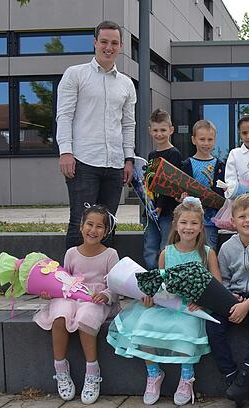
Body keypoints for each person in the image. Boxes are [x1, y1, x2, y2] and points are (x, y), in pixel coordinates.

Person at [107, 197, 223, 406]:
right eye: (184, 223)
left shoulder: (207, 253)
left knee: (187, 329)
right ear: (176, 225)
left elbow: (217, 285)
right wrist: (149, 296)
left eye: (194, 223)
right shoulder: (166, 253)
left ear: (201, 226)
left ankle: (187, 376)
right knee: (144, 324)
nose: (189, 227)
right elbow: (159, 283)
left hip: (191, 307)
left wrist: (204, 303)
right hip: (166, 304)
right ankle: (153, 374)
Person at [57, 20, 136, 249]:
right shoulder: (75, 75)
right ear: (95, 42)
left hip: (114, 164)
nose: (108, 47)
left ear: (120, 46)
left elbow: (128, 124)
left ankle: (104, 279)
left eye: (114, 43)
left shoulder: (126, 84)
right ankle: (72, 281)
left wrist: (128, 159)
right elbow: (64, 116)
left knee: (108, 223)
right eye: (104, 42)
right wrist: (66, 152)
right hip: (82, 162)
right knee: (80, 223)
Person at [33, 204, 119, 404]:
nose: (93, 230)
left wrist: (106, 295)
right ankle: (60, 368)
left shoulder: (110, 255)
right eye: (89, 224)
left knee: (85, 317)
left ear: (106, 232)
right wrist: (50, 291)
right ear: (81, 226)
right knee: (60, 314)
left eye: (100, 226)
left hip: (97, 298)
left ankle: (92, 371)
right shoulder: (72, 253)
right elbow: (64, 280)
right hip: (71, 295)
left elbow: (115, 285)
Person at [206, 194, 249, 408]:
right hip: (234, 296)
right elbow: (223, 279)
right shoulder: (228, 247)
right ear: (233, 221)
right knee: (212, 322)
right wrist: (230, 299)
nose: (247, 220)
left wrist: (247, 304)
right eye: (242, 216)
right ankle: (230, 374)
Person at [143, 108, 182, 270]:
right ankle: (152, 277)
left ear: (171, 130)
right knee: (149, 245)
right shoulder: (151, 155)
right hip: (151, 210)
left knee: (165, 246)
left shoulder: (174, 154)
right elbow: (150, 183)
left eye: (163, 130)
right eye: (156, 130)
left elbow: (170, 184)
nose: (159, 134)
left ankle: (164, 279)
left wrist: (160, 206)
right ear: (150, 131)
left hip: (167, 210)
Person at [180, 120, 226, 249]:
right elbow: (180, 189)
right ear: (194, 140)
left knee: (209, 249)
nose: (206, 143)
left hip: (211, 220)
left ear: (215, 140)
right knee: (189, 249)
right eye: (202, 139)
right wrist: (180, 197)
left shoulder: (220, 165)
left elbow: (222, 192)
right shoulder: (186, 164)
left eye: (210, 139)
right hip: (190, 219)